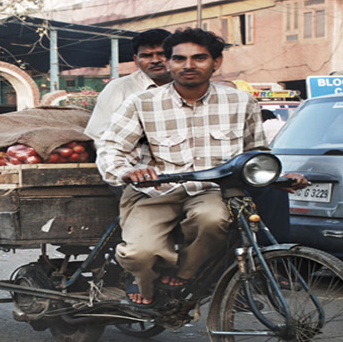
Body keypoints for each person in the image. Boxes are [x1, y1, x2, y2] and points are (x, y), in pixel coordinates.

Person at [96, 28, 306, 306]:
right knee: (139, 254)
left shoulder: (241, 102)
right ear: (170, 63)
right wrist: (125, 171)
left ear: (216, 63)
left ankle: (186, 272)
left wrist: (275, 177)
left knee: (214, 220)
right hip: (155, 192)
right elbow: (111, 147)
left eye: (199, 58)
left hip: (212, 191)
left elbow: (255, 153)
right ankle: (144, 279)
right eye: (179, 59)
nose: (188, 65)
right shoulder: (141, 103)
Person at [84, 28, 172, 142]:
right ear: (136, 60)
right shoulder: (119, 88)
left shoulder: (192, 86)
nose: (155, 60)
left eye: (162, 54)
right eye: (146, 55)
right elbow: (98, 134)